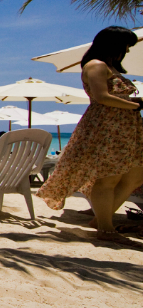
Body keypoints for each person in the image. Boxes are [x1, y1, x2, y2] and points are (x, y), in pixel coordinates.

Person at [38, 26, 143, 239]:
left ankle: (102, 218)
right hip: (108, 127)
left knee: (135, 176)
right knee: (107, 178)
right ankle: (105, 227)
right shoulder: (96, 65)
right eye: (126, 46)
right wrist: (136, 105)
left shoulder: (109, 67)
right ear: (114, 45)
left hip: (125, 128)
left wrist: (133, 103)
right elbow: (101, 97)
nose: (127, 51)